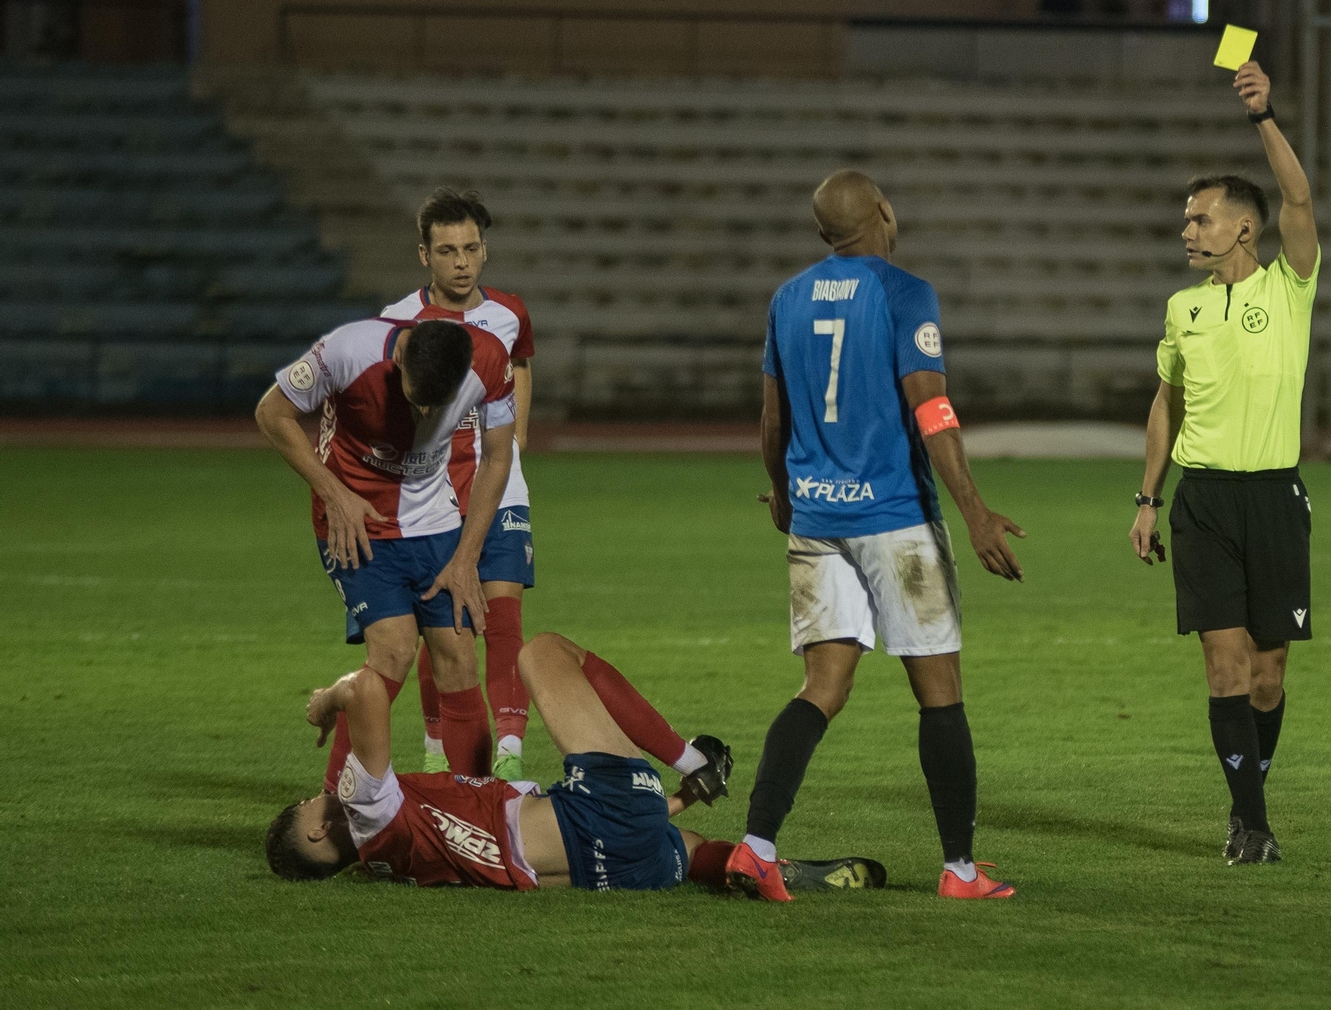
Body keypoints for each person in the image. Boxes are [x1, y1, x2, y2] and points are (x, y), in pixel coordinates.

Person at [728, 169, 1025, 901]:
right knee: (940, 691)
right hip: (896, 523)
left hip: (818, 520)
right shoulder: (903, 293)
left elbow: (773, 420)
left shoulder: (787, 299)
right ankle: (959, 871)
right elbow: (932, 411)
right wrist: (976, 512)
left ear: (822, 232)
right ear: (883, 214)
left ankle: (757, 847)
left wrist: (784, 494)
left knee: (821, 687)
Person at [267, 633, 884, 894]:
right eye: (304, 808)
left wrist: (676, 801)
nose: (312, 799)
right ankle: (692, 756)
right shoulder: (365, 810)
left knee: (682, 842)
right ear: (317, 829)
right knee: (542, 653)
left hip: (604, 865)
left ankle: (757, 864)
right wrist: (328, 700)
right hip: (596, 818)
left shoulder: (384, 862)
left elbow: (570, 839)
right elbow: (369, 690)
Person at [1127, 61, 1319, 866]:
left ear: (1244, 227)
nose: (1187, 231)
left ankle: (1251, 805)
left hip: (1275, 498)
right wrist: (1146, 497)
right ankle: (1251, 825)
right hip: (1202, 501)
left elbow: (1301, 202)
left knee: (1268, 675)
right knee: (1224, 662)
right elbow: (1165, 402)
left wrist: (1263, 116)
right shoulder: (1184, 308)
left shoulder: (1289, 285)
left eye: (1201, 219)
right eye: (1185, 220)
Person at [254, 315, 513, 789]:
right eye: (420, 401)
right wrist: (333, 494)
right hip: (356, 522)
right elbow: (272, 414)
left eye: (443, 405)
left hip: (435, 523)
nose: (429, 416)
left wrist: (465, 560)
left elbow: (498, 458)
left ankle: (479, 812)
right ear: (398, 360)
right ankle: (338, 808)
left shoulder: (491, 359)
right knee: (392, 653)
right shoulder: (347, 351)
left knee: (458, 657)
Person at [381, 188, 537, 782]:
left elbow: (520, 364)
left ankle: (511, 754)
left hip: (501, 486)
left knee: (502, 616)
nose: (462, 262)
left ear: (485, 249)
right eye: (447, 251)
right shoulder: (400, 321)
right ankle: (437, 747)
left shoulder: (510, 311)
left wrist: (516, 436)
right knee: (446, 623)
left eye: (471, 248)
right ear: (424, 255)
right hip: (433, 497)